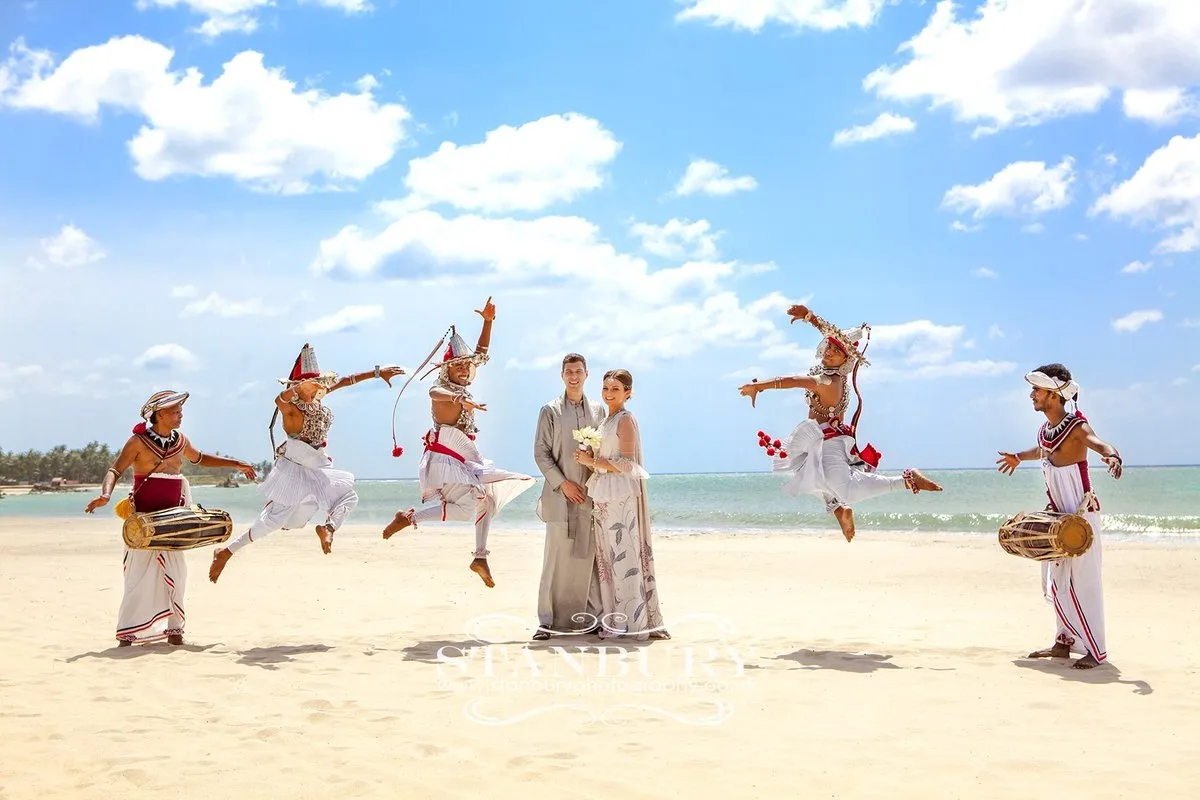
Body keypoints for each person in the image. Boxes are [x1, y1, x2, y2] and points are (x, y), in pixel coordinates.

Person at [738, 303, 943, 542]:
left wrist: (758, 387)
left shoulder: (825, 381)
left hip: (829, 445)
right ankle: (839, 510)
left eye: (836, 352)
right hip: (821, 441)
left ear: (845, 360)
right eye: (828, 348)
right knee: (807, 476)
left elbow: (791, 380)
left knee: (845, 489)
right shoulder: (837, 375)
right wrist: (810, 317)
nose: (828, 352)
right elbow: (831, 335)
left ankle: (907, 480)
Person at [209, 344, 404, 583]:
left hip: (317, 466)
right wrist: (296, 388)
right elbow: (278, 400)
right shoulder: (291, 410)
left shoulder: (317, 397)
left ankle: (328, 529)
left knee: (348, 497)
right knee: (274, 521)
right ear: (298, 387)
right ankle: (226, 552)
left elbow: (345, 381)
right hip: (293, 469)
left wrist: (376, 372)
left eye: (322, 383)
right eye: (316, 384)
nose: (322, 387)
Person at [382, 297, 534, 588]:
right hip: (446, 458)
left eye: (466, 366)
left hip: (465, 456)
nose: (465, 369)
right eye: (458, 366)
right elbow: (434, 394)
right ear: (447, 370)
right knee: (474, 505)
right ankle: (409, 517)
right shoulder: (442, 388)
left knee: (485, 502)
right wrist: (460, 399)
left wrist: (488, 322)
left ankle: (479, 556)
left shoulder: (463, 382)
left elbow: (481, 353)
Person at [85, 390, 257, 646]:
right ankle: (128, 633)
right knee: (138, 576)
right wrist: (105, 495)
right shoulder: (138, 442)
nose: (181, 415)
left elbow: (200, 459)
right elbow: (115, 469)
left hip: (174, 520)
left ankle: (174, 630)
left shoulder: (181, 441)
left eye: (180, 410)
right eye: (176, 411)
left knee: (178, 574)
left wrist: (236, 463)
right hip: (145, 522)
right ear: (160, 414)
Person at [996, 364, 1122, 670]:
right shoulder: (1047, 430)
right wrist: (1019, 457)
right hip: (1057, 519)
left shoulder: (1077, 427)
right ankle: (1063, 643)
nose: (1032, 396)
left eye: (1037, 391)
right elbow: (1043, 450)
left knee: (1085, 582)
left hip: (1081, 519)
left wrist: (1112, 455)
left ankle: (1096, 649)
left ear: (1053, 395)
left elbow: (1099, 443)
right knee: (1057, 581)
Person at [573, 370, 668, 641]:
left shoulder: (625, 420)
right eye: (605, 388)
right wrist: (589, 455)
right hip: (603, 493)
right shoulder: (605, 420)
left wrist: (590, 462)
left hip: (619, 495)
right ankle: (616, 620)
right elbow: (606, 457)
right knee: (607, 559)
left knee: (623, 554)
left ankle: (635, 621)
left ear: (628, 393)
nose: (608, 393)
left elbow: (627, 463)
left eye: (615, 389)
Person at [531, 353, 606, 640]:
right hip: (560, 496)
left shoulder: (599, 411)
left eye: (578, 371)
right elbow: (541, 452)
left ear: (586, 374)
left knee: (589, 558)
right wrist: (563, 484)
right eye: (568, 372)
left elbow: (604, 449)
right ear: (562, 375)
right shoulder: (549, 410)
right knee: (555, 558)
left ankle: (593, 619)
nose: (573, 376)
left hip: (591, 495)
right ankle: (546, 622)